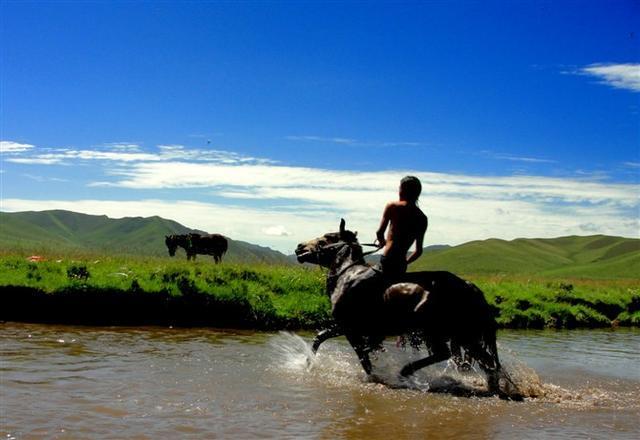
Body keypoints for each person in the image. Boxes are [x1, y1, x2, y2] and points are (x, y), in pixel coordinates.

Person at [375, 176, 428, 280]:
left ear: (403, 190)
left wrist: (382, 242)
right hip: (401, 263)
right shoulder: (422, 217)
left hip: (388, 259)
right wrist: (406, 262)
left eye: (400, 188)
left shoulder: (393, 207)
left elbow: (379, 232)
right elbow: (418, 251)